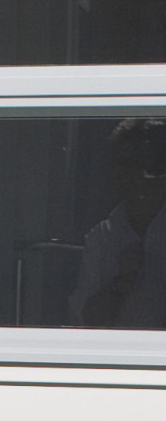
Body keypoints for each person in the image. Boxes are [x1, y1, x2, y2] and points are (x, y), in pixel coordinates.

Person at [69, 116, 166, 326]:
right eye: (125, 164)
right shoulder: (101, 239)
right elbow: (86, 321)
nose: (135, 174)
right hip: (120, 356)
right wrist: (120, 282)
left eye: (145, 162)